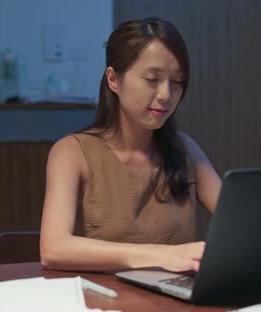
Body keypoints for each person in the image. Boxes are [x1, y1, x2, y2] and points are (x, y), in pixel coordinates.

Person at [40, 17, 222, 273]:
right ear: (114, 79)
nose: (166, 95)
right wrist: (159, 255)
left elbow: (242, 226)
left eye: (177, 82)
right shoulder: (72, 152)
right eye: (152, 79)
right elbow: (54, 249)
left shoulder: (186, 149)